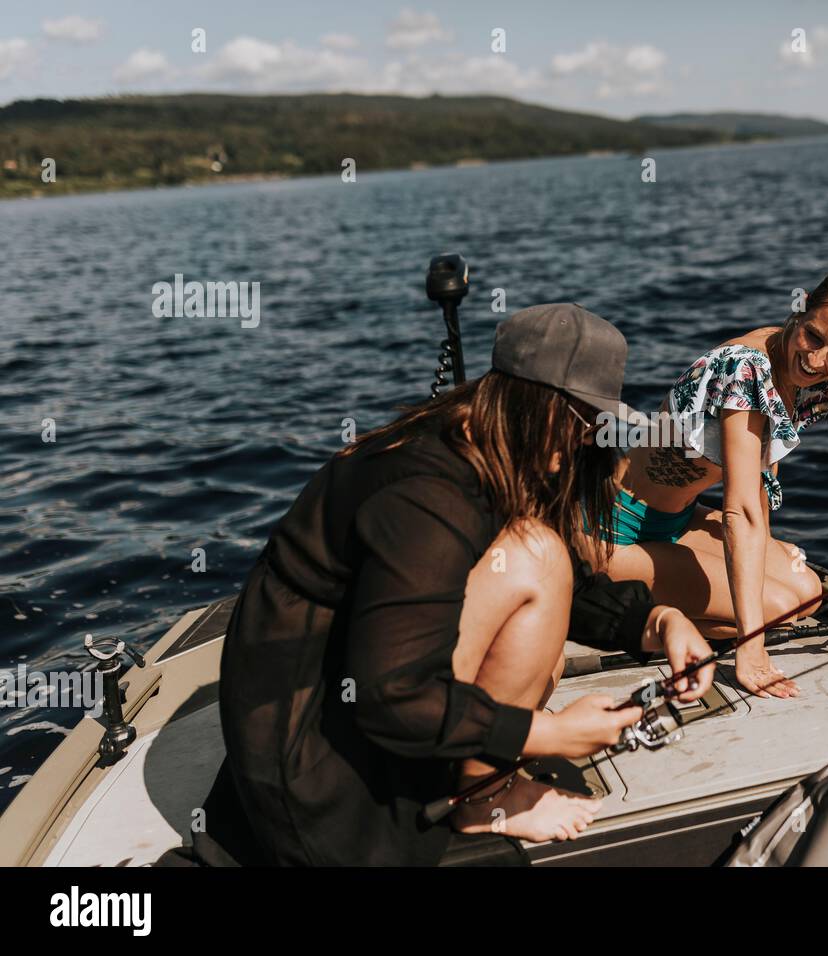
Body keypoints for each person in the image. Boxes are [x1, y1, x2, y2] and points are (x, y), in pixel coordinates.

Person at [193, 303, 715, 866]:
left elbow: (570, 579)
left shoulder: (482, 447)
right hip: (310, 768)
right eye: (585, 423)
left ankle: (477, 785)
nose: (588, 442)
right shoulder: (427, 495)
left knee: (543, 553)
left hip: (343, 684)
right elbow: (390, 694)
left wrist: (659, 622)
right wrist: (548, 734)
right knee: (535, 555)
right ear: (534, 403)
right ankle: (482, 797)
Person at [603, 259, 828, 699]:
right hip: (614, 530)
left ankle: (661, 607)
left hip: (675, 522)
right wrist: (751, 645)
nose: (817, 360)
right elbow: (739, 508)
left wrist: (765, 563)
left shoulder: (791, 365)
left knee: (805, 589)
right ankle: (607, 605)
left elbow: (759, 490)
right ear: (800, 312)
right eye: (813, 336)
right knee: (776, 605)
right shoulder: (746, 368)